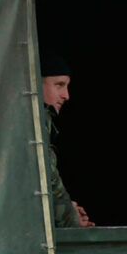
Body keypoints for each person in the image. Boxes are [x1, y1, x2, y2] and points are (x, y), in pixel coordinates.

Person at [40, 50, 92, 227]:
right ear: (36, 84)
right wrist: (70, 218)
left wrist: (68, 209)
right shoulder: (34, 120)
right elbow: (47, 179)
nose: (66, 95)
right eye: (59, 85)